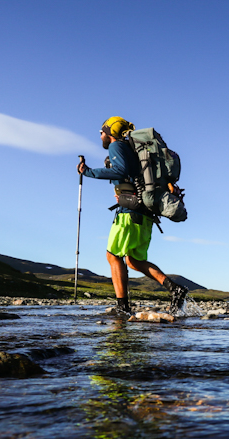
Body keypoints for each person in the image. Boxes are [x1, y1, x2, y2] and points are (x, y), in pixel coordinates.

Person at [76, 116, 188, 316]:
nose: (100, 135)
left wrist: (88, 172)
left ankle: (122, 307)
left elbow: (121, 169)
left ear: (110, 132)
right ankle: (175, 289)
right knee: (133, 261)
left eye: (102, 131)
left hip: (129, 213)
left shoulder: (116, 146)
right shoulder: (133, 151)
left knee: (113, 255)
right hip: (145, 213)